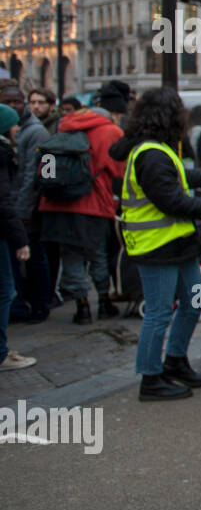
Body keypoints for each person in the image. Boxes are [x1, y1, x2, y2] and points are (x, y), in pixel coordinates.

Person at [109, 87, 201, 401]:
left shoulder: (158, 149)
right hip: (157, 249)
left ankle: (175, 361)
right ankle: (151, 378)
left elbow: (178, 177)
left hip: (179, 247)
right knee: (160, 312)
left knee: (193, 303)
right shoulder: (150, 153)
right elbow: (170, 199)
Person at [38, 81, 127, 324]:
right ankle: (104, 302)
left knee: (71, 256)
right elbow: (120, 171)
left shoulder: (63, 127)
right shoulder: (110, 132)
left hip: (57, 204)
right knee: (97, 253)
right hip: (93, 205)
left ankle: (82, 307)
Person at [5, 82, 52, 322]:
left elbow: (39, 175)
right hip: (15, 206)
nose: (14, 106)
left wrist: (23, 209)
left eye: (18, 101)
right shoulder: (15, 129)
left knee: (34, 258)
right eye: (8, 101)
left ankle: (40, 305)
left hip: (27, 208)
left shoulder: (36, 132)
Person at [0, 103, 36, 370]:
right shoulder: (5, 152)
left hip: (18, 216)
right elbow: (5, 201)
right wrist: (20, 237)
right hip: (13, 221)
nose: (17, 128)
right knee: (5, 290)